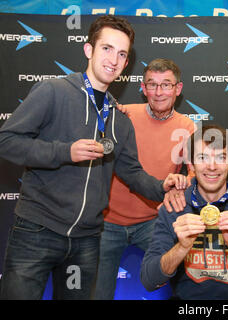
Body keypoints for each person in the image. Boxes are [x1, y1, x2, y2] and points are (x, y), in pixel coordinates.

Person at [0, 16, 185, 300]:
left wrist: (163, 186)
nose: (113, 59)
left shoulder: (119, 119)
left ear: (126, 64)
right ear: (89, 50)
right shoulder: (54, 91)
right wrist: (65, 152)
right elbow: (7, 141)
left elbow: (132, 173)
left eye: (122, 54)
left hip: (86, 239)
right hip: (38, 230)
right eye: (107, 49)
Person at [140, 124, 228, 299]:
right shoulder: (175, 206)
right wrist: (181, 247)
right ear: (190, 164)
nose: (212, 166)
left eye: (221, 158)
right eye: (203, 157)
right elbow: (149, 280)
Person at [94, 58, 195, 300]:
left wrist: (182, 186)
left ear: (178, 89)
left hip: (153, 222)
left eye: (166, 85)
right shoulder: (123, 115)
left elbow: (194, 172)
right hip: (107, 222)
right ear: (143, 88)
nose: (159, 92)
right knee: (96, 294)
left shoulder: (187, 126)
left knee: (185, 284)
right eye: (152, 85)